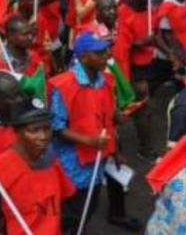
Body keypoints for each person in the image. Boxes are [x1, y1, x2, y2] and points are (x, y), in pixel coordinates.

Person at [50, 32, 141, 233]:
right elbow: (57, 128)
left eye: (106, 51)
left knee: (87, 209)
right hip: (72, 164)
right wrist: (89, 141)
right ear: (83, 57)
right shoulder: (63, 85)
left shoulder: (107, 80)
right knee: (71, 214)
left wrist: (117, 122)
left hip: (98, 159)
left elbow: (108, 116)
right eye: (99, 53)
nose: (106, 55)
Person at [0, 97, 76, 235]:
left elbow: (61, 205)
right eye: (34, 130)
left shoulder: (51, 159)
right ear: (16, 131)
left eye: (47, 128)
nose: (43, 136)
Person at [115, 0, 159, 161]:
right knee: (143, 105)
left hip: (150, 64)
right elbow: (121, 45)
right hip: (132, 67)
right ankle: (145, 148)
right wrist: (141, 42)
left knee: (146, 105)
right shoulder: (123, 13)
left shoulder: (150, 10)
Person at [0, 14, 50, 81]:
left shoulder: (34, 58)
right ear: (10, 36)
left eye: (31, 33)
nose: (30, 37)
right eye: (25, 34)